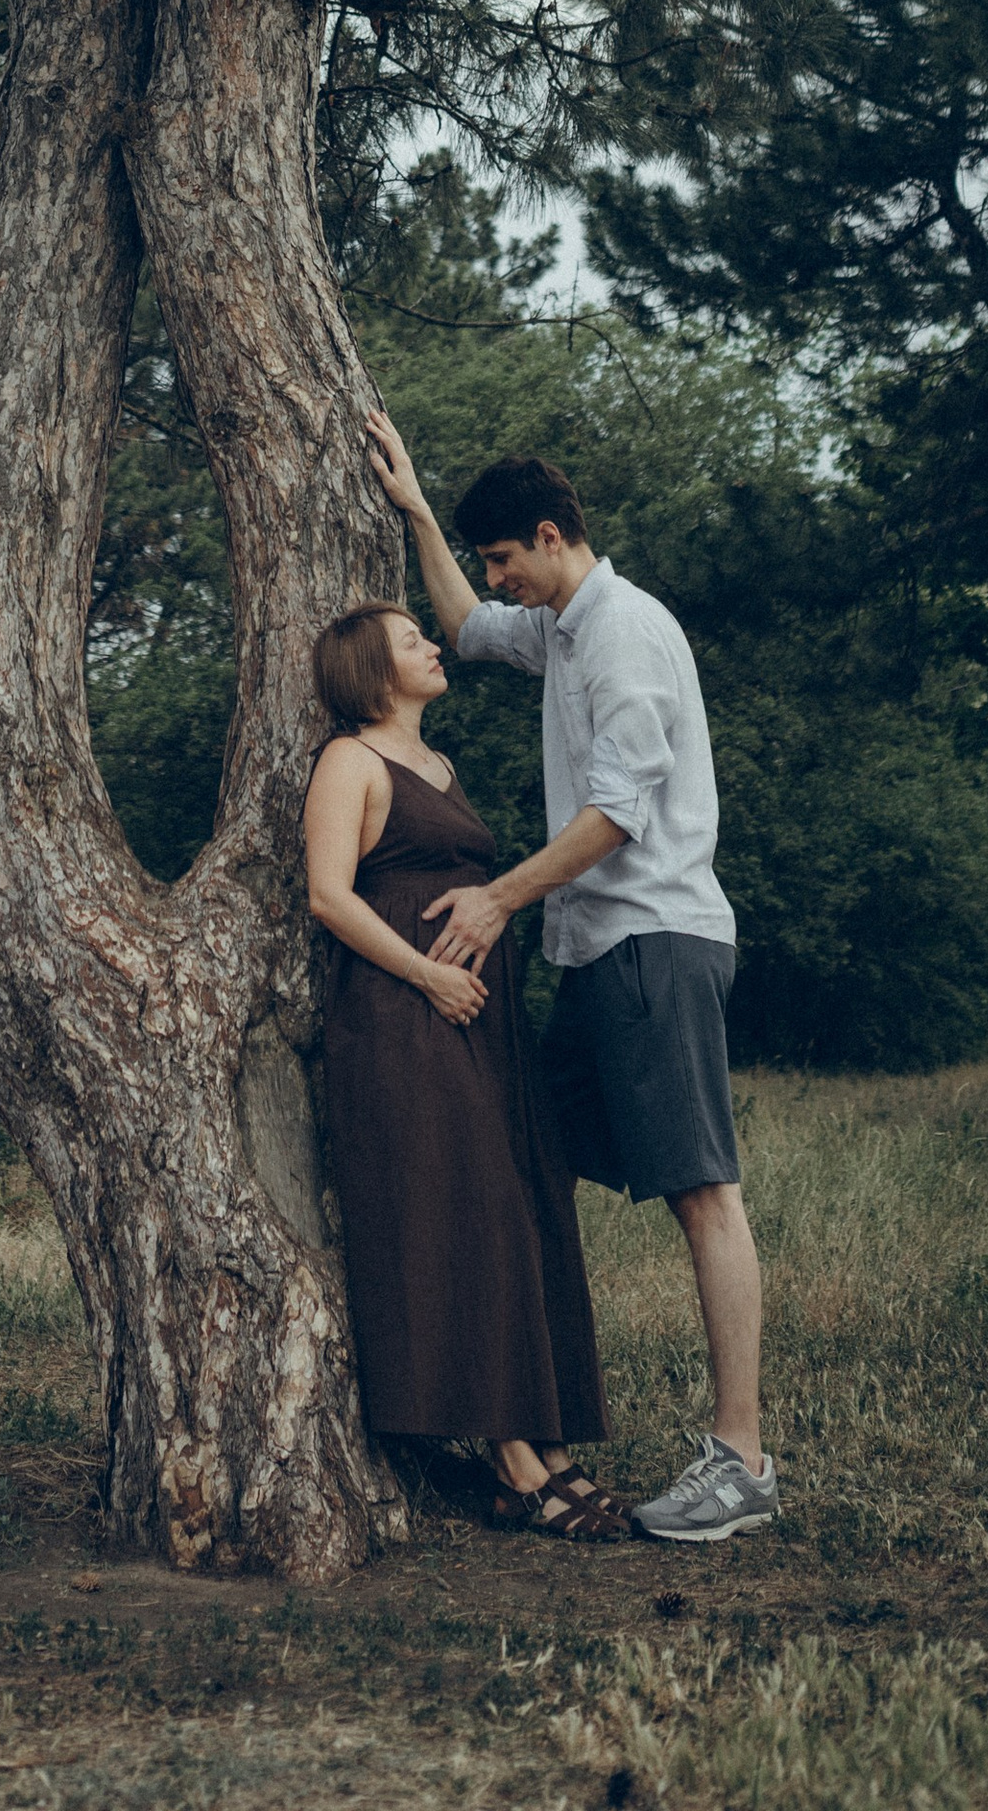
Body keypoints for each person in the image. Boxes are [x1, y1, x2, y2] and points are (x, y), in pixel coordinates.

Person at [363, 414, 779, 1548]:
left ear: (549, 539)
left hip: (653, 943)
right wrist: (413, 512)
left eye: (505, 559)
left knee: (703, 1191)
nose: (497, 582)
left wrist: (499, 898)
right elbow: (464, 625)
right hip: (596, 956)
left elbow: (616, 814)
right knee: (523, 1155)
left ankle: (739, 1457)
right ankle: (519, 1419)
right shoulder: (562, 625)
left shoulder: (625, 636)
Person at [303, 599, 619, 1540]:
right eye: (413, 642)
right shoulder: (348, 762)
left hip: (482, 1023)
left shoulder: (437, 767)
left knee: (520, 1203)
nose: (434, 648)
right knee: (466, 1210)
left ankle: (549, 1442)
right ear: (371, 672)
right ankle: (513, 1461)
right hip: (403, 1018)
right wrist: (428, 977)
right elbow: (327, 896)